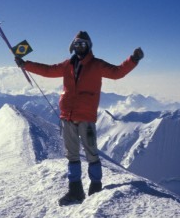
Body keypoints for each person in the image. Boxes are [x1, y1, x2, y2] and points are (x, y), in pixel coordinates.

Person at [15, 31, 144, 206]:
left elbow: (117, 73)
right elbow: (48, 70)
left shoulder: (97, 65)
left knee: (91, 154)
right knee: (72, 156)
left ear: (89, 46)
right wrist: (26, 64)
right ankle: (75, 191)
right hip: (67, 117)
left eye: (83, 44)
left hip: (85, 117)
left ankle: (95, 188)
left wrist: (133, 60)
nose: (79, 47)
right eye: (77, 44)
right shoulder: (67, 64)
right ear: (72, 46)